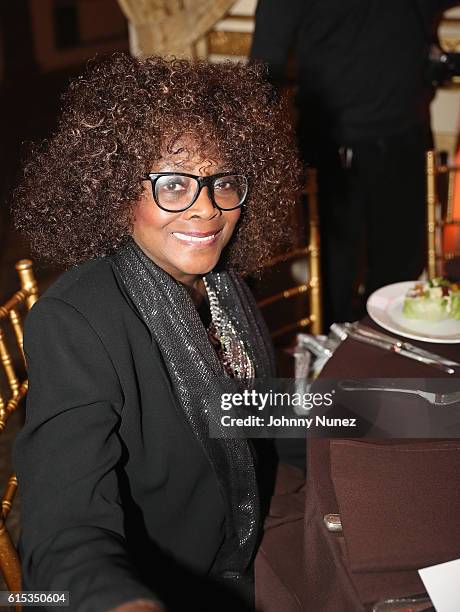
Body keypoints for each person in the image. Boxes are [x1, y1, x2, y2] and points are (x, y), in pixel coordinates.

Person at [12, 53, 300, 612]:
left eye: (223, 182)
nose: (207, 211)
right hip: (181, 583)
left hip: (255, 524)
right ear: (116, 186)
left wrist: (379, 411)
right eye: (173, 184)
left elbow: (255, 407)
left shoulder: (220, 279)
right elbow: (60, 530)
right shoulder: (74, 322)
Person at [251, 0, 458, 327]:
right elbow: (263, 71)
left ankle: (382, 355)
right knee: (333, 275)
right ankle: (339, 362)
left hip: (405, 140)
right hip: (332, 148)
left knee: (400, 268)